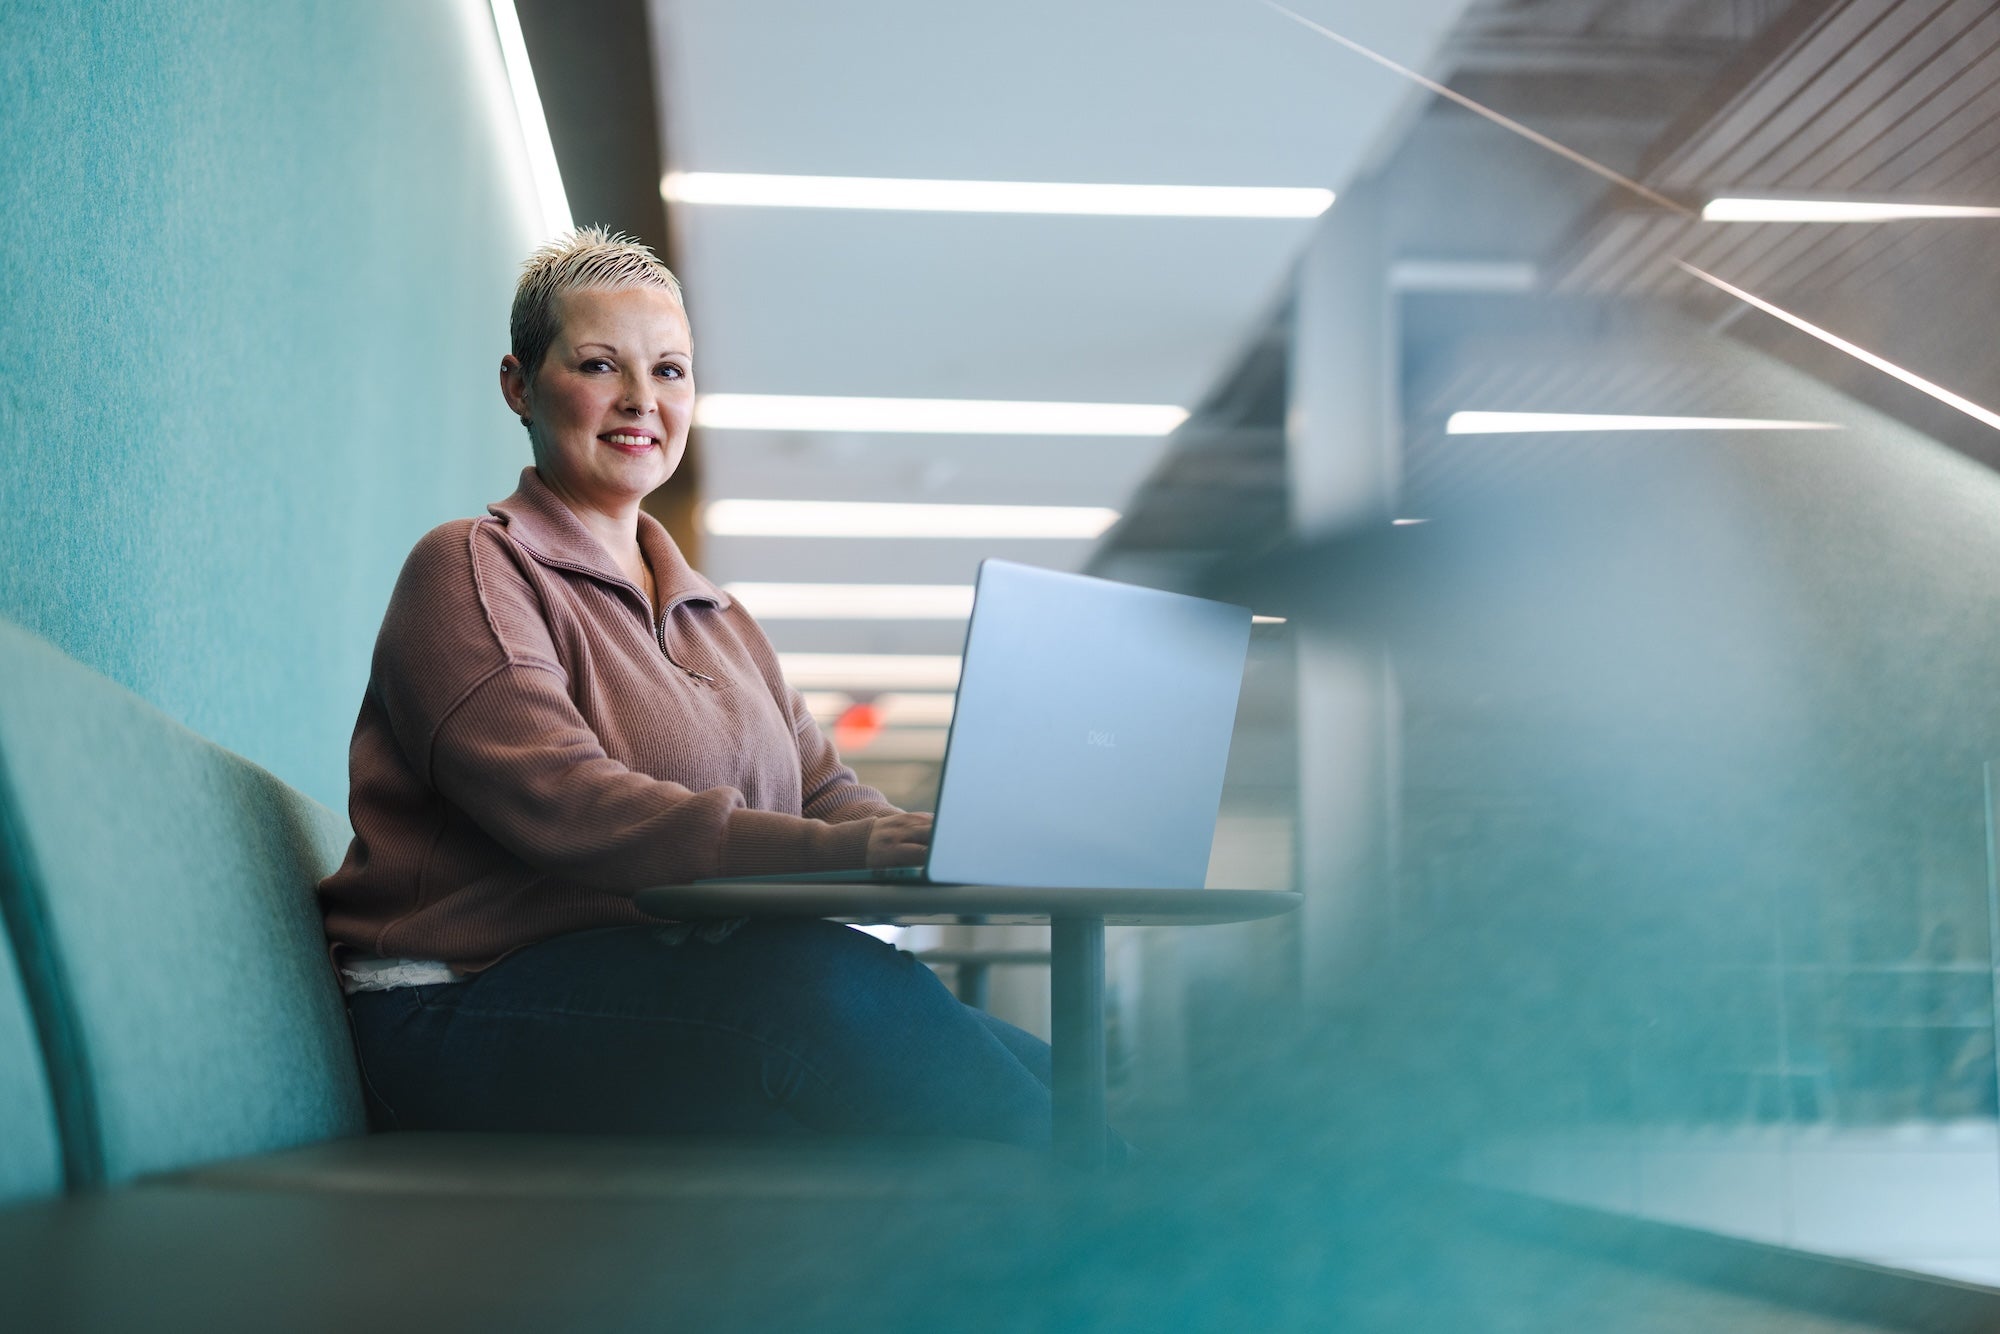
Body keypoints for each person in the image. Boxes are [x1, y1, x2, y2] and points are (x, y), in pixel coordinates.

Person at [319, 227, 1055, 1147]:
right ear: (519, 386)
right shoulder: (471, 569)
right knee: (833, 990)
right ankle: (1116, 1255)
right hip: (451, 1010)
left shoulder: (720, 619)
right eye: (599, 365)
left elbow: (826, 794)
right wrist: (864, 851)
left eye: (669, 371)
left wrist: (934, 843)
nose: (640, 400)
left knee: (1035, 1065)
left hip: (647, 987)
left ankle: (1139, 1238)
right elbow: (569, 805)